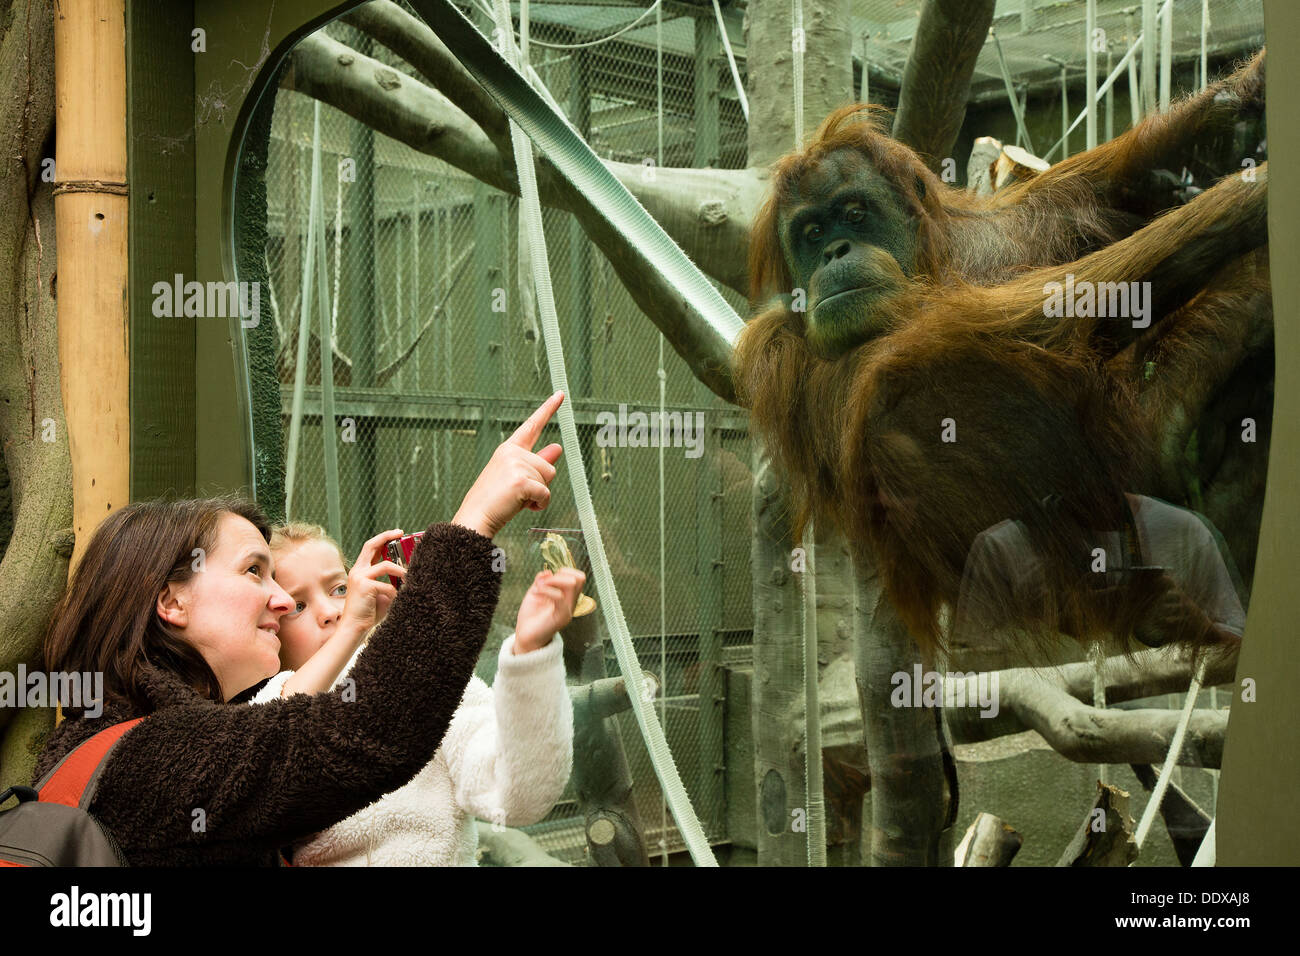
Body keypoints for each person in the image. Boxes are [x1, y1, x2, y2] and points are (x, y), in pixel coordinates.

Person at [33, 392, 567, 866]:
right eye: (252, 571)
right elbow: (362, 733)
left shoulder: (126, 744)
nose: (283, 600)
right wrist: (473, 525)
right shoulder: (148, 760)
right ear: (172, 602)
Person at [251, 521, 578, 865]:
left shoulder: (426, 673)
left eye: (339, 589)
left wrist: (530, 655)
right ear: (271, 625)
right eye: (298, 606)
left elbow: (517, 796)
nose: (331, 613)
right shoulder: (268, 706)